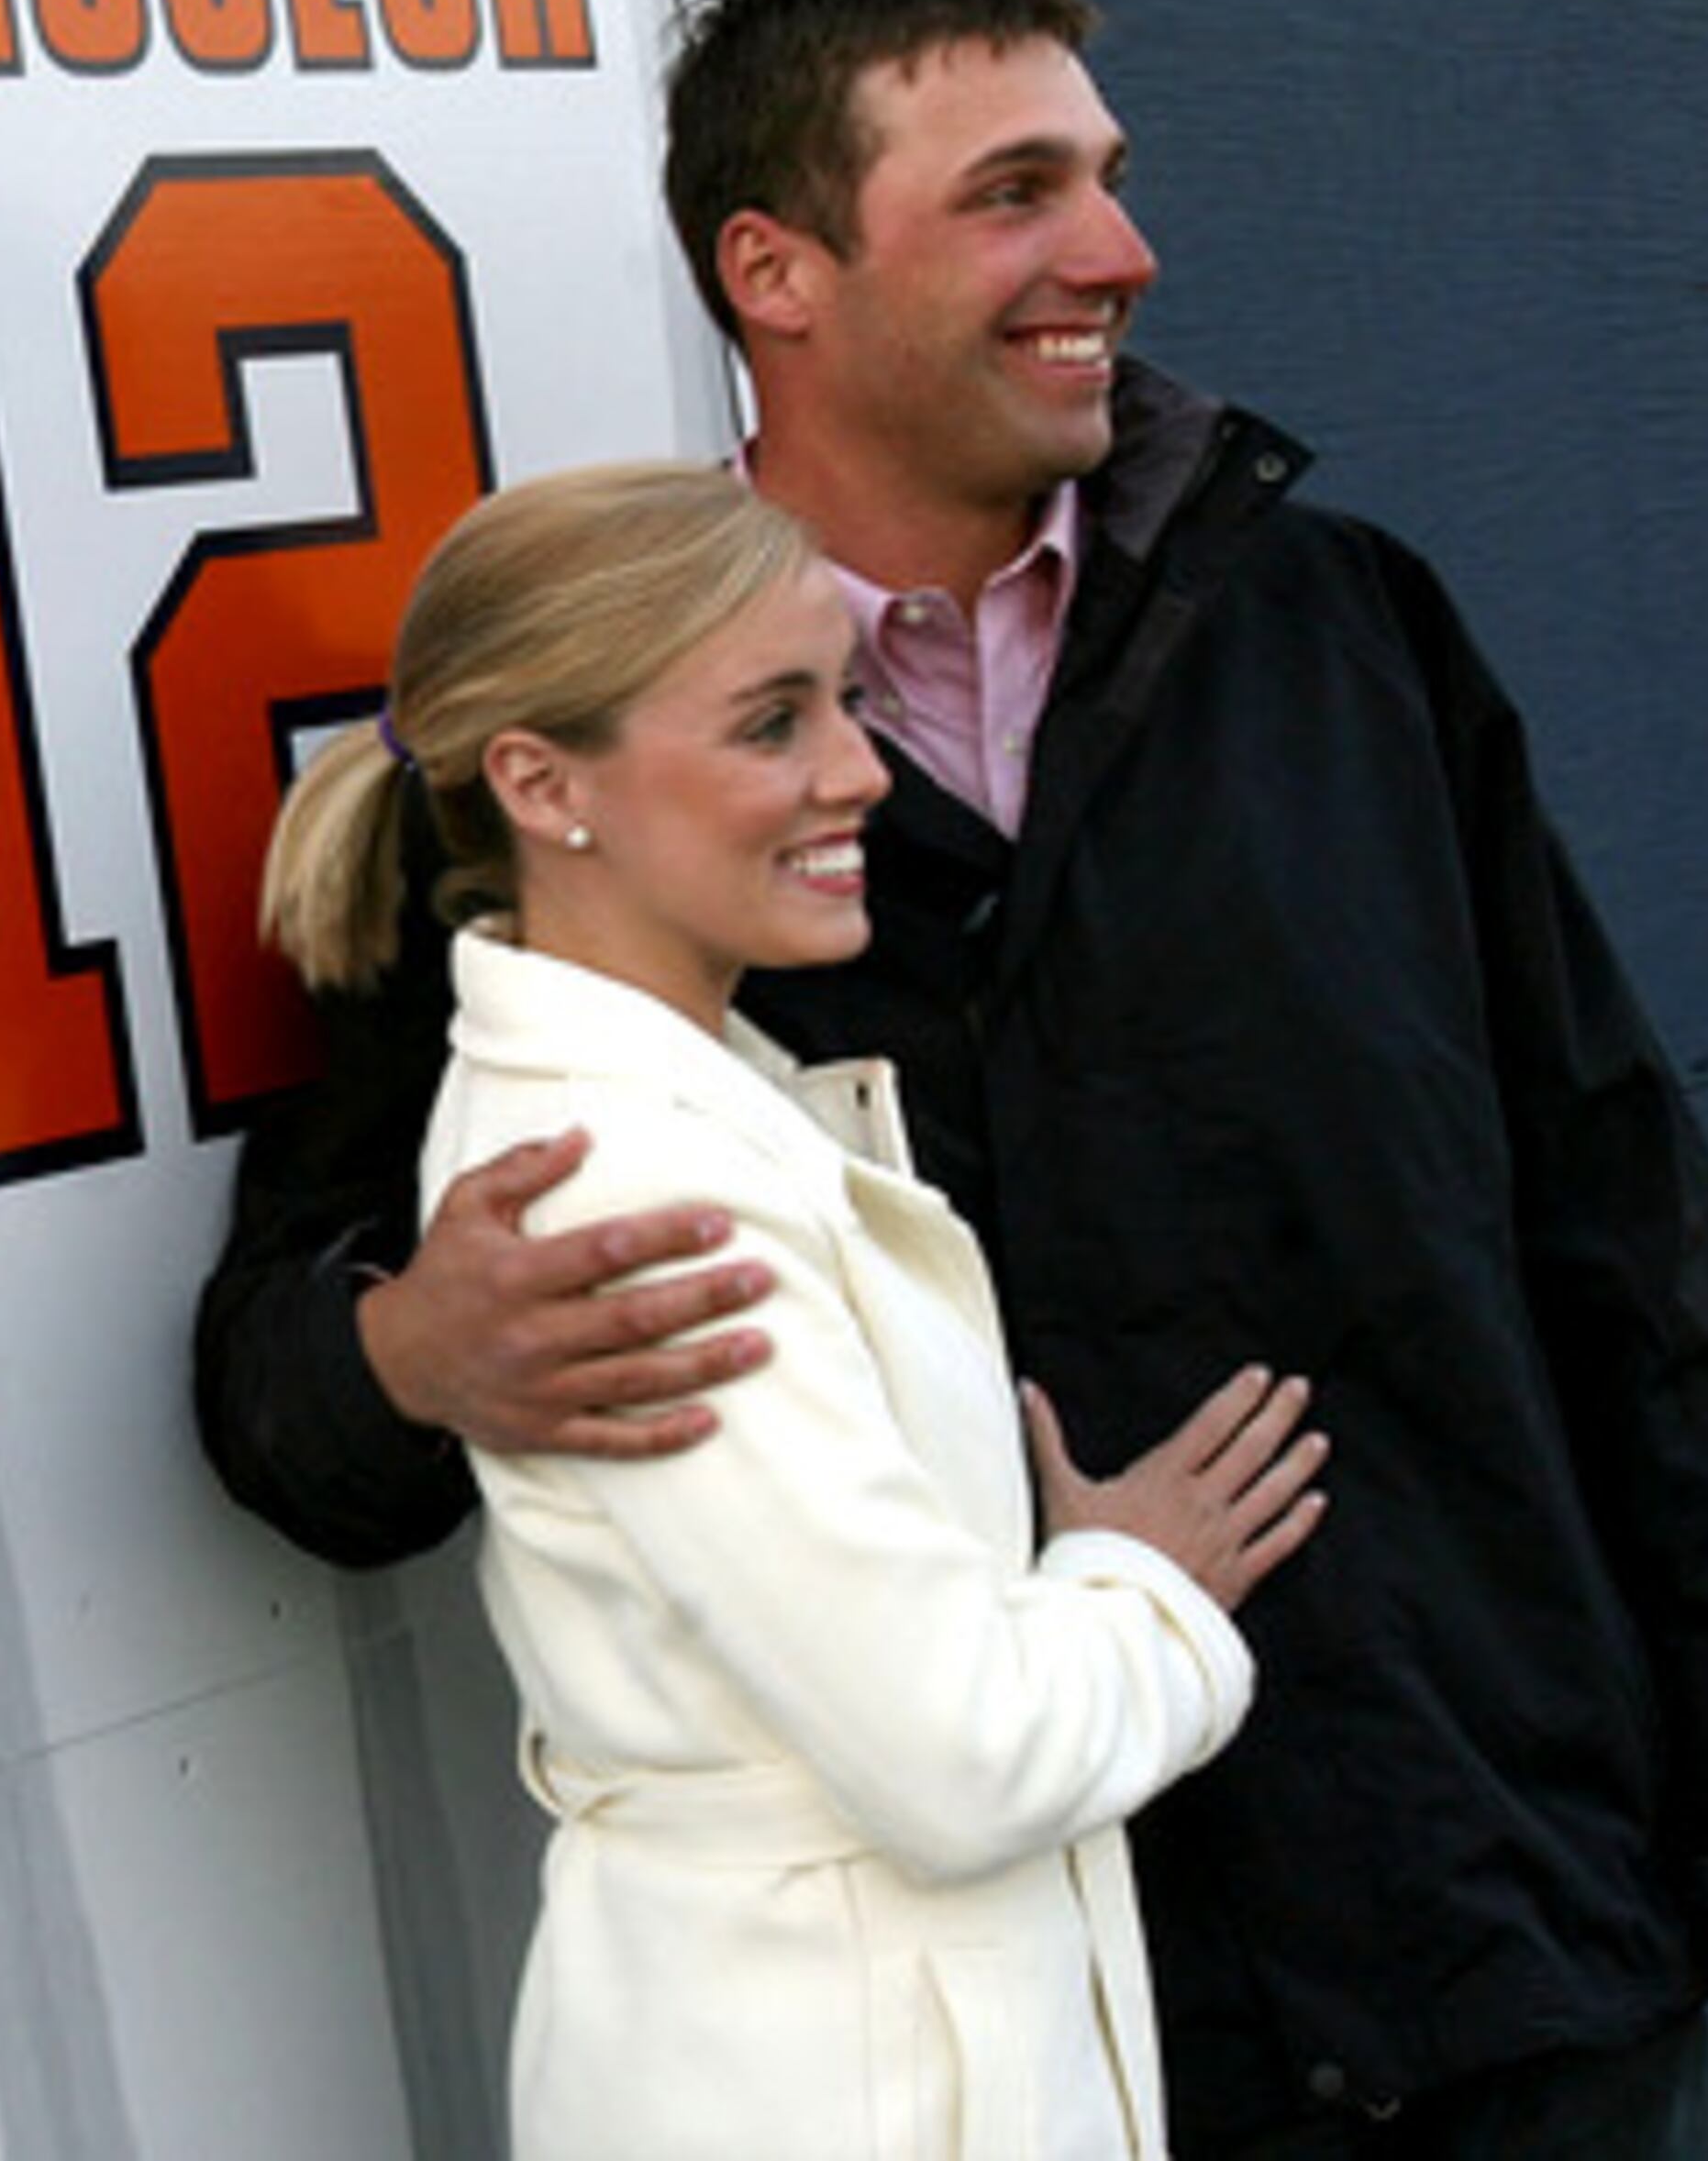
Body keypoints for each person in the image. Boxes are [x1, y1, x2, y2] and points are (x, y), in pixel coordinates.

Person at [196, 0, 1708, 2155]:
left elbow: (1620, 1204)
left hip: (1502, 1929)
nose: (1116, 249)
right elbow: (275, 1370)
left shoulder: (1337, 631)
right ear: (776, 269)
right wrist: (400, 1363)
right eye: (1016, 191)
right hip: (1052, 2026)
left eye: (1103, 176)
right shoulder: (596, 776)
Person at [259, 458, 1330, 2158]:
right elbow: (963, 1753)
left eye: (844, 698)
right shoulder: (625, 1186)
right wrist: (1149, 1584)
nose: (861, 772)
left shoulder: (691, 1100)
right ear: (543, 783)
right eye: (773, 721)